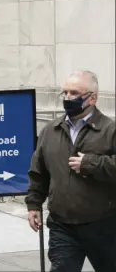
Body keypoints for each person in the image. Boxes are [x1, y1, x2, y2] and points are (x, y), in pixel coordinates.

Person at [25, 70, 116, 272]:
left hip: (102, 224)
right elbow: (38, 171)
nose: (68, 98)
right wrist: (34, 204)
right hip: (62, 225)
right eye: (65, 92)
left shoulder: (110, 130)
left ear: (93, 98)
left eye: (74, 93)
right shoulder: (51, 130)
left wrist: (92, 164)